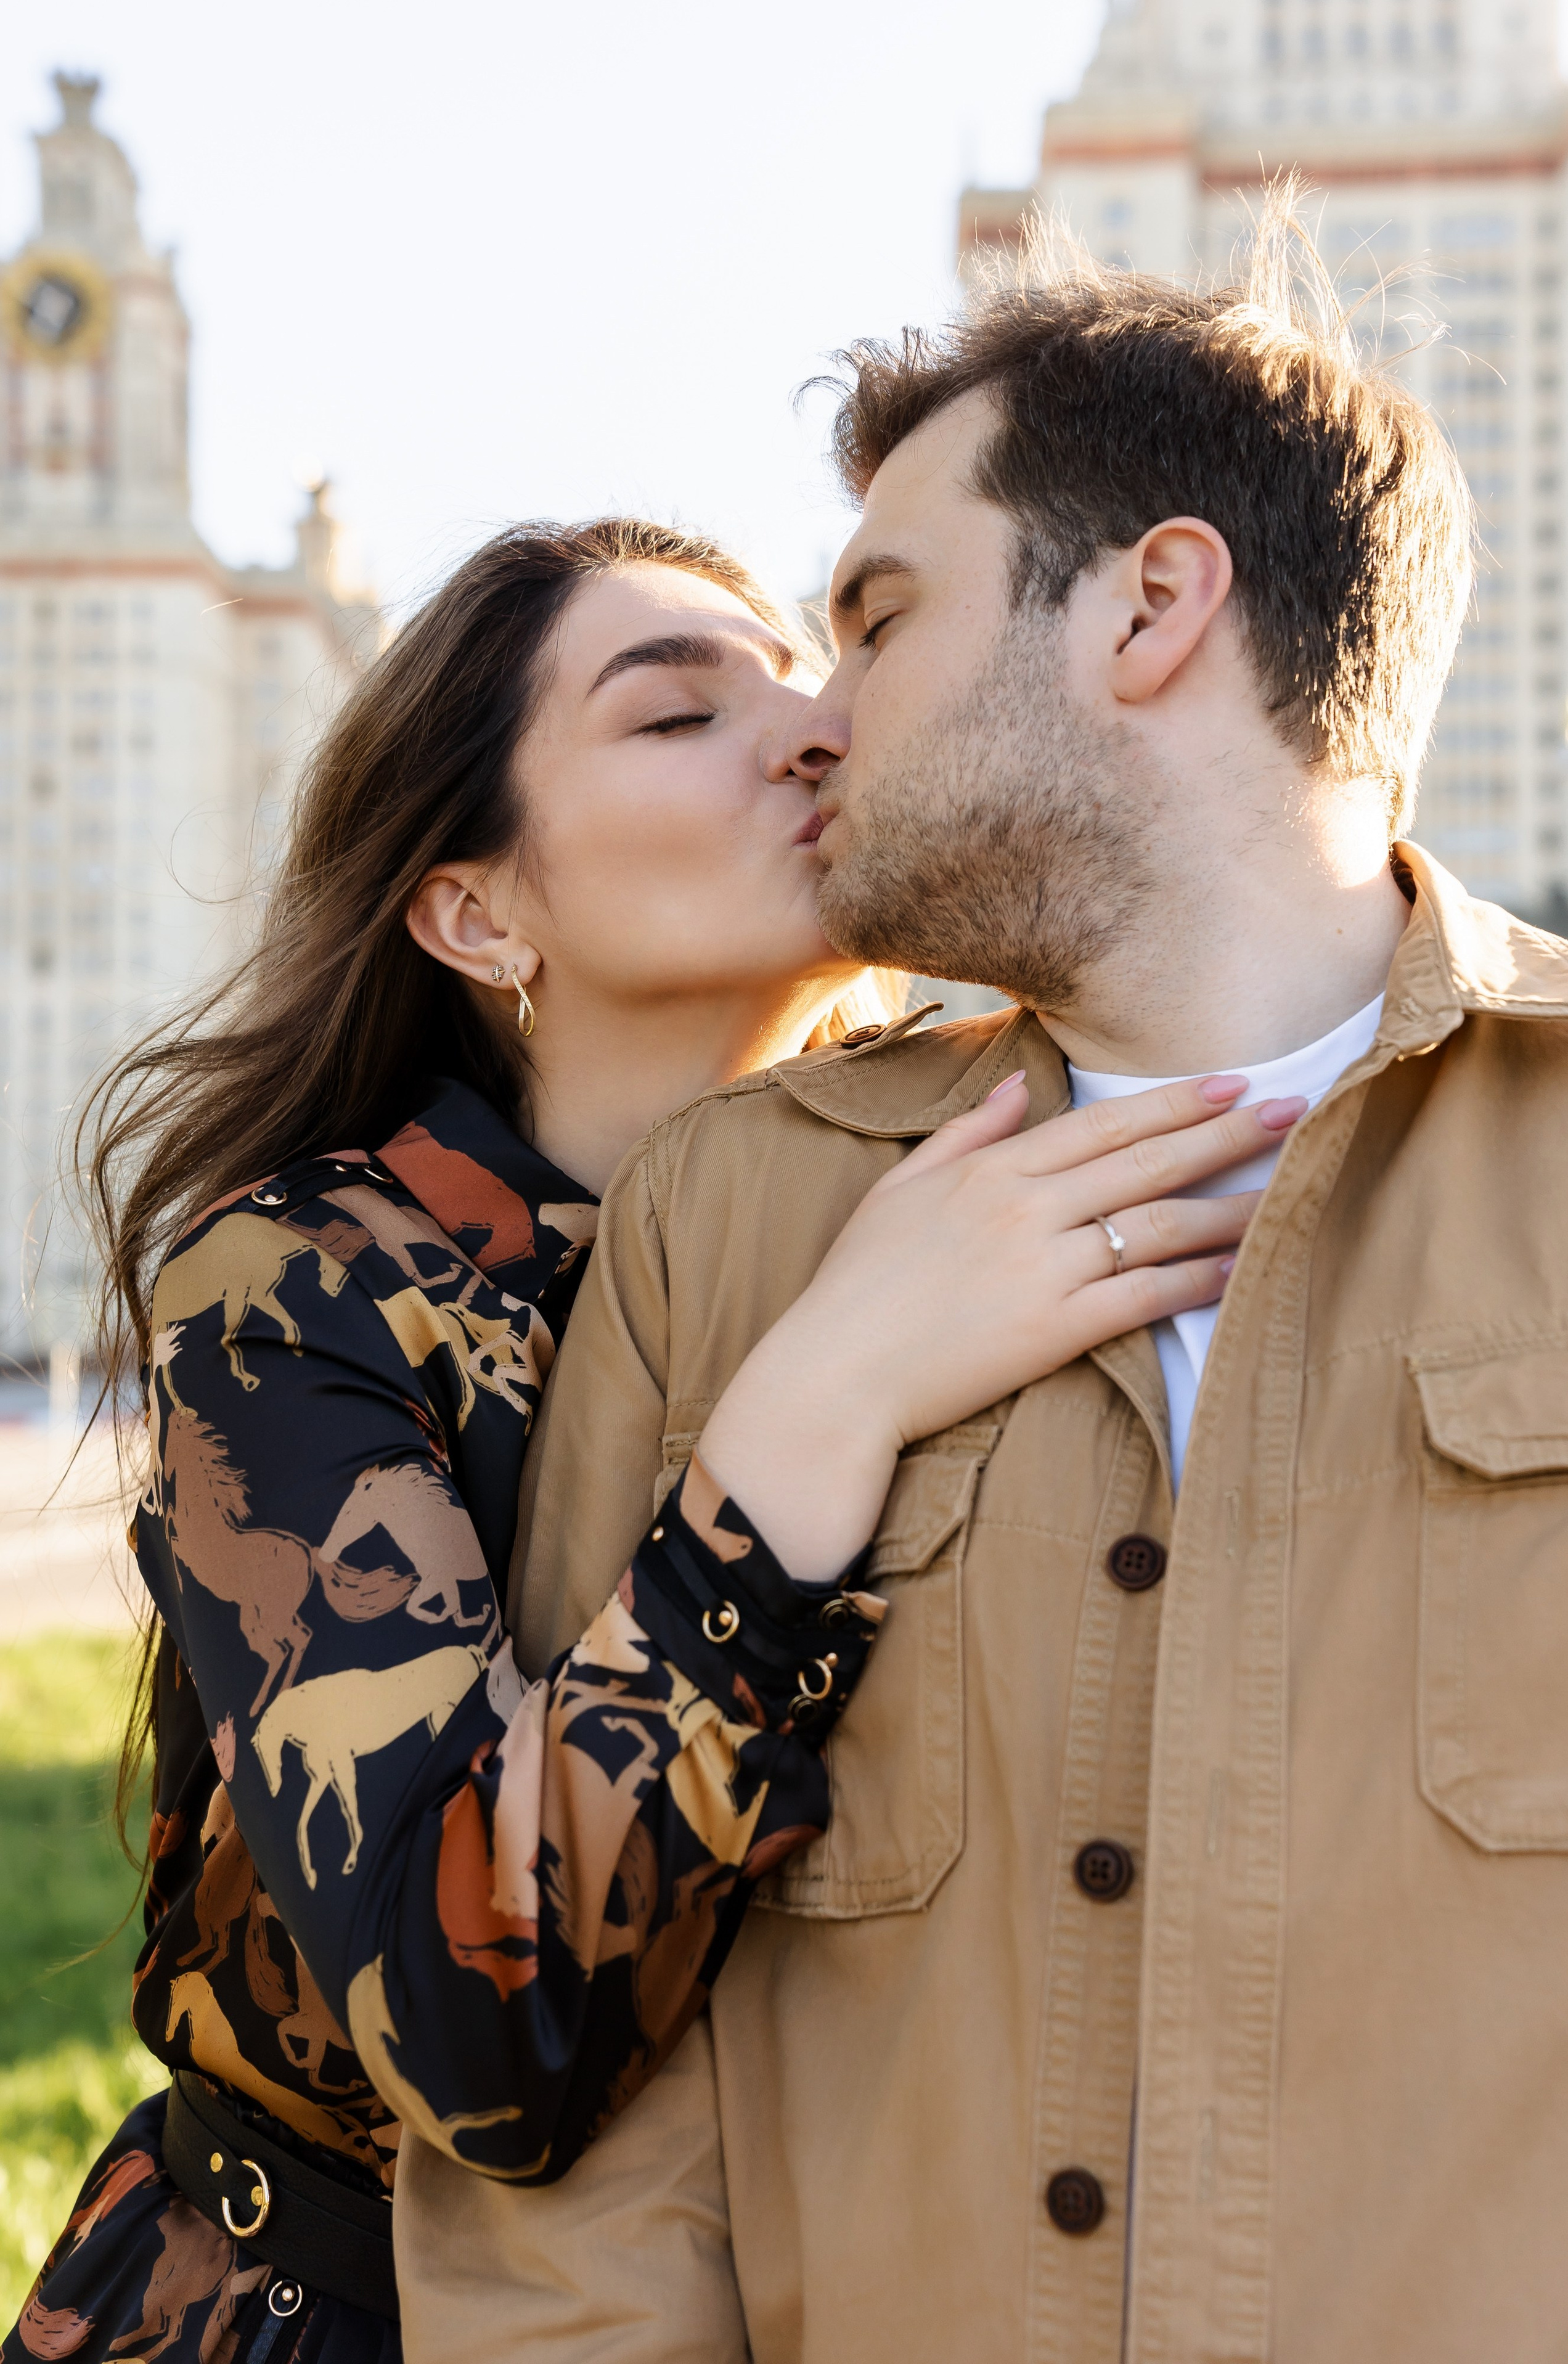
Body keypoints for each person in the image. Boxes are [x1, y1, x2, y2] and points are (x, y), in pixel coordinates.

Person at [399, 203, 1568, 2364]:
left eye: (874, 618)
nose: (815, 722)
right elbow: (579, 2151)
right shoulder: (733, 1226)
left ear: (1150, 607)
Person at [0, 519, 1267, 2364]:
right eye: (679, 717)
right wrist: (823, 1402)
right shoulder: (301, 1289)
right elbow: (468, 2028)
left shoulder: (985, 1198)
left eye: (812, 676)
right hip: (323, 2318)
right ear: (479, 912)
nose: (815, 729)